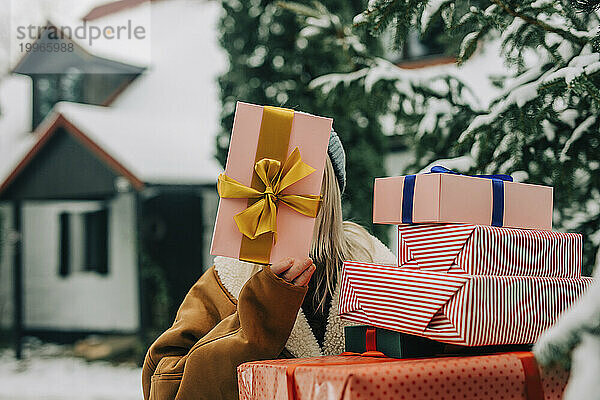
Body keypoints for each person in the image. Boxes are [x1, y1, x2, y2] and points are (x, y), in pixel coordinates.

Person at [141, 131, 395, 400]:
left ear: (328, 190)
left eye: (296, 177)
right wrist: (263, 312)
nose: (276, 195)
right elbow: (164, 390)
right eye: (265, 180)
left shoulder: (381, 271)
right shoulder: (225, 281)